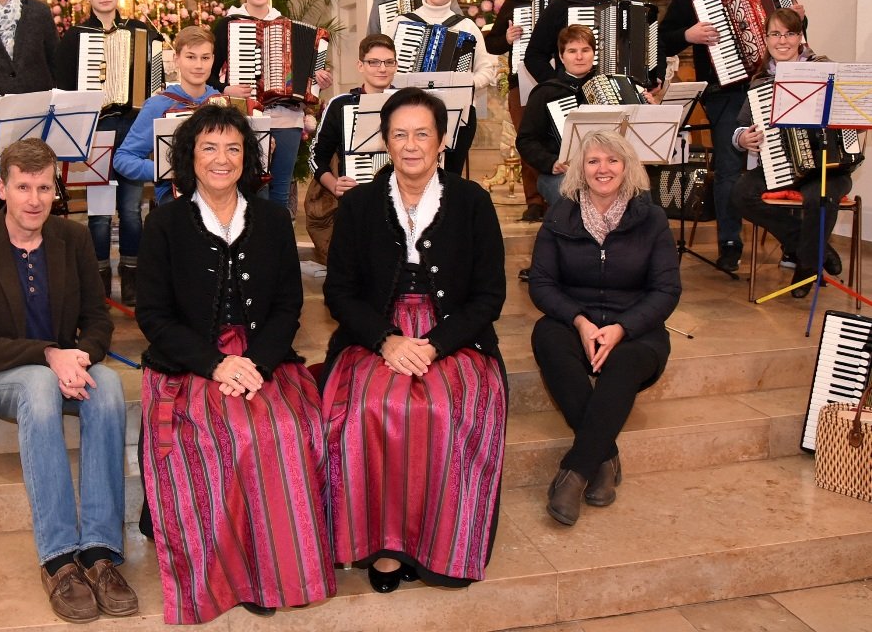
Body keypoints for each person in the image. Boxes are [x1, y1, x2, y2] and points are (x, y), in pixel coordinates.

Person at [137, 104, 334, 623]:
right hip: (191, 363)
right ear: (189, 157)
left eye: (232, 148)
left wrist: (258, 363)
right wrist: (215, 365)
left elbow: (289, 305)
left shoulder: (271, 218)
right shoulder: (164, 223)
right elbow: (153, 315)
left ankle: (278, 567)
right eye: (208, 147)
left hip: (261, 356)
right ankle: (233, 570)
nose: (221, 159)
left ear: (247, 158)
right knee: (225, 435)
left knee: (286, 428)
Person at [322, 87, 507, 592]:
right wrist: (386, 340)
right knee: (370, 408)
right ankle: (384, 546)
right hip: (375, 331)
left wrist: (435, 344)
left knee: (445, 407)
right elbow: (339, 292)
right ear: (384, 141)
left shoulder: (472, 201)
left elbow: (490, 295)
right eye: (399, 134)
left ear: (442, 141)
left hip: (452, 334)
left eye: (422, 133)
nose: (410, 144)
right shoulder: (359, 204)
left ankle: (444, 544)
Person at [0, 138, 136, 624]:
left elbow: (97, 320)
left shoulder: (71, 239)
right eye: (23, 186)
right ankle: (57, 559)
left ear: (57, 191)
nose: (34, 199)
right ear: (2, 188)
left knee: (110, 387)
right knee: (35, 386)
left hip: (62, 368)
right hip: (4, 377)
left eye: (44, 187)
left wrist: (79, 358)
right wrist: (47, 355)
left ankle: (98, 550)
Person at [528, 129, 681, 526]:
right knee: (547, 337)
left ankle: (575, 471)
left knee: (624, 365)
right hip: (574, 319)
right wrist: (579, 320)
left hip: (635, 327)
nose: (603, 169)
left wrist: (623, 327)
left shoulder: (651, 218)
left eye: (613, 160)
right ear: (580, 169)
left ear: (628, 167)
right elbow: (542, 284)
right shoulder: (559, 215)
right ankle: (605, 457)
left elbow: (666, 290)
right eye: (593, 160)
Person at [660, 0, 806, 273]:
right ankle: (729, 242)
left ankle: (793, 244)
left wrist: (801, 17)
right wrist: (687, 34)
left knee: (786, 162)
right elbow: (662, 40)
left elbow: (795, 32)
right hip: (724, 92)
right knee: (728, 169)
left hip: (773, 83)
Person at [56, 0, 164, 304]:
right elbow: (62, 88)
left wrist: (156, 53)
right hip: (95, 127)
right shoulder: (74, 36)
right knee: (99, 214)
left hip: (131, 129)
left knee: (132, 210)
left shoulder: (140, 31)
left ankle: (131, 275)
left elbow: (157, 75)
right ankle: (99, 278)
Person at [731, 8, 849, 298]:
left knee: (818, 197)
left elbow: (850, 112)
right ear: (766, 39)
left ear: (800, 37)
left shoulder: (825, 69)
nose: (782, 41)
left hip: (826, 165)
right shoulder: (760, 81)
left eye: (789, 33)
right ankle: (816, 250)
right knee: (740, 194)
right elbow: (740, 127)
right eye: (775, 34)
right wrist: (743, 138)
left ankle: (806, 269)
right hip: (780, 165)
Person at [209, 0, 333, 212]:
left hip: (287, 117)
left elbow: (307, 78)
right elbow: (209, 75)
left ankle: (277, 249)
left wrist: (320, 80)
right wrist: (225, 89)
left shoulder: (286, 24)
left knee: (281, 189)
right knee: (253, 187)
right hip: (248, 117)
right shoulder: (229, 25)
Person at [384, 0, 497, 170]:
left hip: (456, 114)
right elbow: (386, 64)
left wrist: (465, 83)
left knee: (450, 178)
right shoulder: (401, 23)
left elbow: (487, 68)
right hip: (410, 113)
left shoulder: (466, 26)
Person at [304, 32, 397, 262]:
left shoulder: (408, 102)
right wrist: (334, 184)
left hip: (402, 195)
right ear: (360, 65)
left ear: (396, 65)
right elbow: (316, 156)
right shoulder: (341, 105)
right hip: (357, 197)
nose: (382, 68)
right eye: (373, 62)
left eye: (388, 62)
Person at [113, 25, 222, 207]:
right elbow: (123, 158)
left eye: (205, 58)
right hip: (175, 194)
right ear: (176, 59)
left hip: (218, 190)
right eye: (190, 57)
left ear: (213, 60)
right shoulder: (157, 105)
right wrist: (167, 170)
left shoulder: (220, 102)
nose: (198, 65)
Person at [485, 0, 555, 221]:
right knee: (527, 140)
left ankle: (556, 198)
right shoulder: (513, 5)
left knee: (554, 140)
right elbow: (492, 44)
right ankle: (534, 201)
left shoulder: (559, 1)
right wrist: (508, 38)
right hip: (521, 79)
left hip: (554, 80)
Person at [516, 24, 598, 207]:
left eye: (585, 50)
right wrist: (551, 162)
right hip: (560, 173)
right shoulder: (546, 93)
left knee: (640, 193)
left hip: (604, 171)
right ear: (561, 56)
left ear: (594, 54)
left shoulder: (611, 87)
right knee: (571, 196)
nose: (579, 56)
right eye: (572, 51)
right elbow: (525, 140)